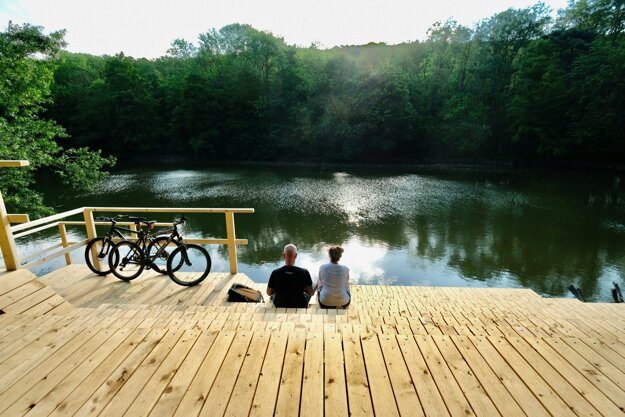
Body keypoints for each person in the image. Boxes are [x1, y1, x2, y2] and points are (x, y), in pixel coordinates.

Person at [267, 244, 314, 308]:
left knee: (273, 295)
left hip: (280, 305)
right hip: (299, 305)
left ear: (283, 255)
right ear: (296, 256)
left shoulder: (275, 273)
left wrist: (278, 288)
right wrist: (302, 289)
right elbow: (311, 293)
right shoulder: (304, 272)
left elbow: (268, 293)